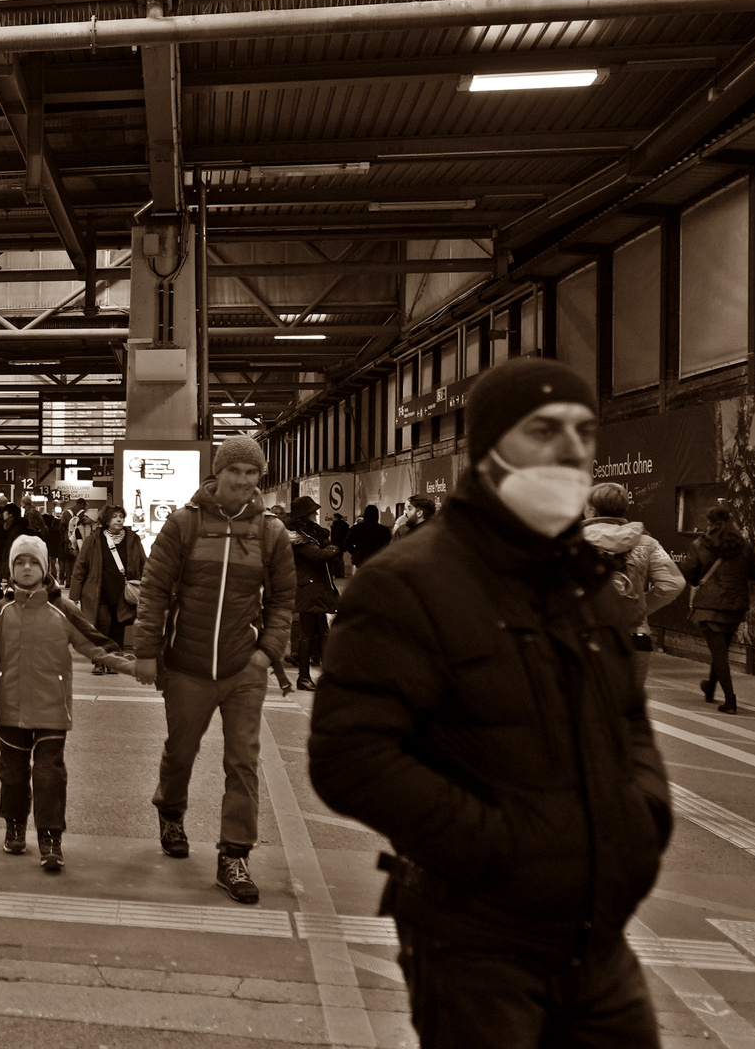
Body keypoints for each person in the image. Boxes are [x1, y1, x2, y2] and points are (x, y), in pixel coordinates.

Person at [308, 357, 671, 1049]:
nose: (571, 448)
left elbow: (627, 718)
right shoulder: (407, 583)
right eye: (543, 429)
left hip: (597, 943)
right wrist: (497, 848)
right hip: (476, 943)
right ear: (487, 447)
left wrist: (642, 818)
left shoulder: (582, 582)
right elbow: (349, 756)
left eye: (584, 431)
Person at [131, 434, 296, 905]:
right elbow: (155, 590)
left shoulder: (271, 533)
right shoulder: (183, 525)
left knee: (242, 761)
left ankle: (234, 855)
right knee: (180, 751)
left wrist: (267, 652)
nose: (244, 481)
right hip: (187, 665)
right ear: (217, 474)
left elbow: (284, 599)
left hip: (245, 668)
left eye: (252, 473)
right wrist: (146, 652)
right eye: (235, 472)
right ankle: (171, 809)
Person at [0, 536, 135, 872]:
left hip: (52, 710)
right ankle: (14, 825)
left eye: (33, 562)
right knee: (12, 773)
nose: (27, 568)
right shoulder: (0, 610)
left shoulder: (62, 609)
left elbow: (96, 645)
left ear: (45, 567)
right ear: (11, 568)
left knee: (50, 775)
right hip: (12, 711)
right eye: (20, 562)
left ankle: (50, 835)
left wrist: (137, 668)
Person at [581, 483, 685, 691]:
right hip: (635, 638)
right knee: (628, 710)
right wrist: (642, 607)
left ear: (591, 509)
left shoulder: (571, 542)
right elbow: (674, 583)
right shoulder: (647, 543)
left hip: (584, 637)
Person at [679, 506, 755, 715]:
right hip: (735, 606)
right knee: (720, 652)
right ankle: (710, 687)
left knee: (719, 653)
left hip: (709, 607)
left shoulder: (699, 544)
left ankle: (730, 700)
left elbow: (690, 574)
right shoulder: (742, 545)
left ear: (709, 523)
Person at [68, 504, 146, 672]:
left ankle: (114, 661)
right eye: (115, 517)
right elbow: (81, 566)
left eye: (121, 516)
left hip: (123, 591)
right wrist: (75, 593)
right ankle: (99, 660)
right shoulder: (95, 539)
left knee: (119, 625)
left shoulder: (132, 539)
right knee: (102, 624)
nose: (119, 520)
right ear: (106, 520)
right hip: (98, 590)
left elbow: (143, 563)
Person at [287, 495, 341, 693]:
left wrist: (329, 548)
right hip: (309, 590)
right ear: (305, 515)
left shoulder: (309, 534)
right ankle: (303, 677)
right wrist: (335, 548)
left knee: (320, 632)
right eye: (313, 512)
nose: (317, 514)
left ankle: (324, 675)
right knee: (308, 635)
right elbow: (318, 555)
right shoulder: (299, 537)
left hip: (315, 588)